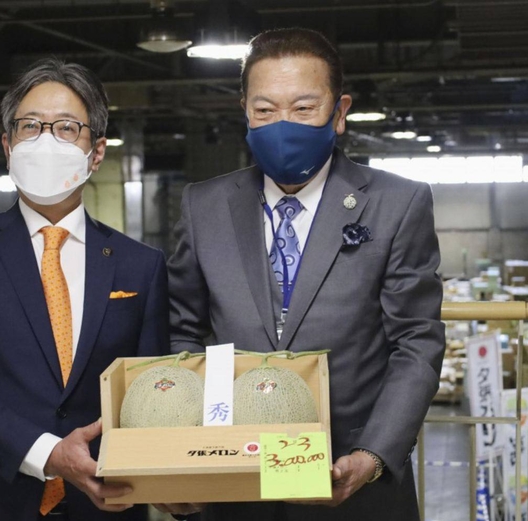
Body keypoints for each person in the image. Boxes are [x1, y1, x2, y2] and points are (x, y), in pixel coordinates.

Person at [166, 28, 445, 521]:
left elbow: (416, 343)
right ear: (244, 110)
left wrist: (374, 454)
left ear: (339, 112)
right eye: (265, 109)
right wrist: (183, 457)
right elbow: (181, 332)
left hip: (354, 479)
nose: (283, 125)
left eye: (303, 108)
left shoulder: (397, 204)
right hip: (234, 479)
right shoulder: (203, 206)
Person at [0, 58, 168, 521]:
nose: (45, 140)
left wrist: (175, 486)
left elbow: (154, 394)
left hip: (107, 504)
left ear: (97, 152)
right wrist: (49, 453)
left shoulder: (141, 265)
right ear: (7, 145)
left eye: (67, 128)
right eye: (30, 126)